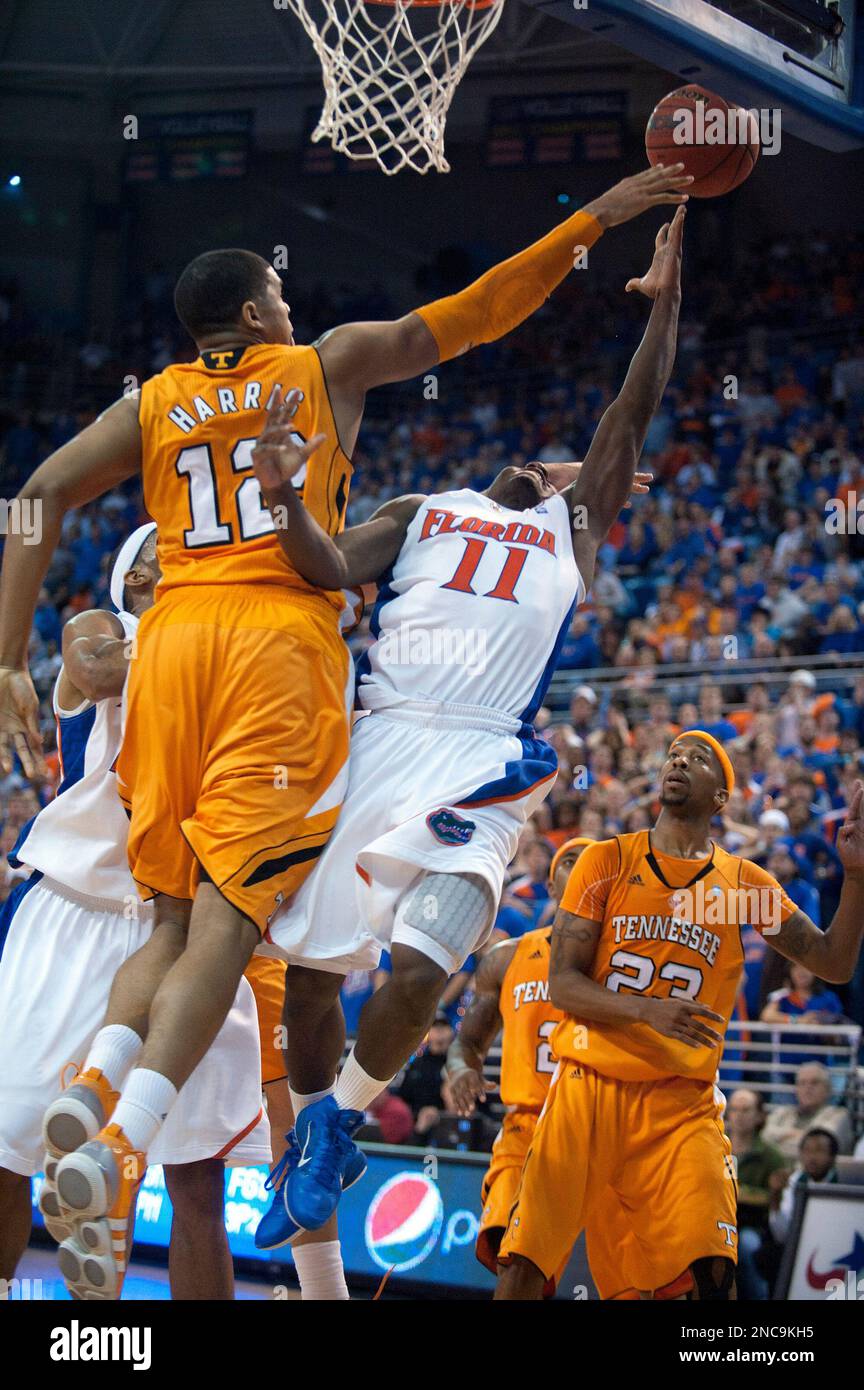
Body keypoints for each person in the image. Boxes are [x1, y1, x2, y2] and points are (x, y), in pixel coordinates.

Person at [0, 168, 691, 1301]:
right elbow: (475, 312)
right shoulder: (336, 391)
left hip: (188, 646)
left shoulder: (158, 399)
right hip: (280, 648)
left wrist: (1, 654)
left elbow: (32, 492)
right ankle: (137, 1137)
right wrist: (595, 220)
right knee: (238, 935)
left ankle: (117, 1092)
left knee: (184, 925)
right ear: (267, 313)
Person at [253, 207, 688, 1243]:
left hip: (482, 760)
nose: (547, 467)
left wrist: (666, 302)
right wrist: (284, 505)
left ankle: (336, 1128)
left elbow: (634, 409)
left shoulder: (569, 531)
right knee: (309, 982)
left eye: (560, 466)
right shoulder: (416, 510)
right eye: (541, 462)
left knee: (418, 969)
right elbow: (324, 564)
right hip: (377, 740)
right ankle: (320, 1130)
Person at [494, 731, 864, 1300]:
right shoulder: (606, 860)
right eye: (673, 755)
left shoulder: (741, 885)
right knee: (522, 1267)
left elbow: (834, 963)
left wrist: (857, 876)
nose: (679, 761)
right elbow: (562, 985)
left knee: (714, 1275)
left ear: (722, 799)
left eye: (698, 759)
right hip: (586, 1089)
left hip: (680, 1100)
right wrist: (648, 1011)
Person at [0, 529, 272, 1299]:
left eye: (180, 558)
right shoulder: (102, 631)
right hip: (73, 914)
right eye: (149, 563)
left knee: (195, 1183)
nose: (164, 570)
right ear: (127, 579)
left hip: (187, 928)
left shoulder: (232, 653)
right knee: (9, 1151)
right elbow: (89, 665)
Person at [725, 1088, 788, 1300]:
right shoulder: (715, 1146)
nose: (739, 1115)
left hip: (751, 1225)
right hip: (712, 1222)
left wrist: (739, 1192)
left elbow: (774, 1197)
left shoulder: (772, 1156)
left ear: (760, 1115)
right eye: (734, 1109)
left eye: (746, 1109)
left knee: (748, 1246)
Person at [761, 1061, 853, 1159]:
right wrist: (795, 1133)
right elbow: (762, 1138)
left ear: (828, 1089)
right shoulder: (783, 1112)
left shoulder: (839, 1115)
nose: (808, 1088)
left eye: (814, 1083)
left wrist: (779, 1141)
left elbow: (818, 1147)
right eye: (802, 1083)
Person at [769, 1128, 841, 1245]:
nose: (812, 1157)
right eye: (807, 1151)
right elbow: (782, 1234)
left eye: (819, 1151)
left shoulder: (843, 1184)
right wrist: (775, 1196)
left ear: (832, 1157)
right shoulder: (794, 1180)